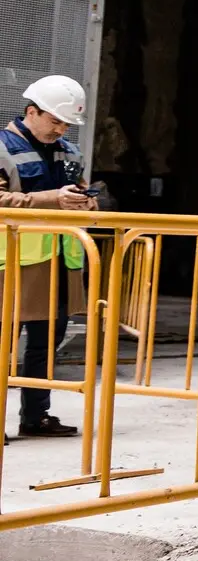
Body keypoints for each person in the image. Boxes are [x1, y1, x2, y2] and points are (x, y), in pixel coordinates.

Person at [0, 76, 96, 440]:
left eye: (67, 123)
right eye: (55, 121)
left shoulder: (70, 152)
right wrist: (52, 198)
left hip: (59, 262)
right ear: (31, 112)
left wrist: (85, 201)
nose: (62, 129)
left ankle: (36, 416)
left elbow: (85, 198)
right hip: (10, 262)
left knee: (46, 345)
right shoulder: (1, 147)